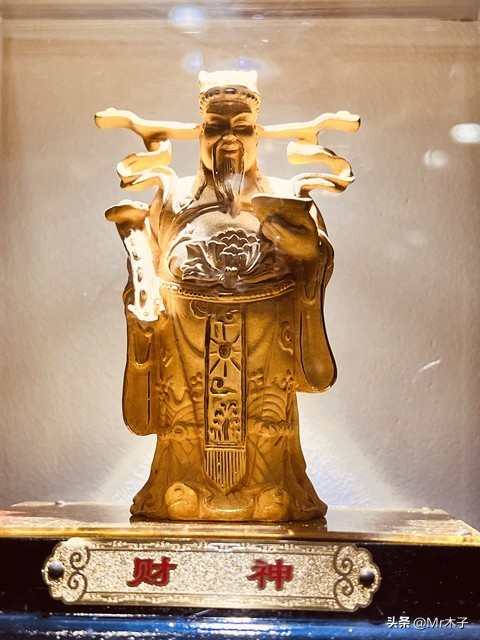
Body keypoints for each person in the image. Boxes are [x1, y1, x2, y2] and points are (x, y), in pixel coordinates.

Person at [98, 71, 357, 521]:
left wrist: (308, 256)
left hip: (266, 347)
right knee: (184, 433)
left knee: (267, 430)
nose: (229, 140)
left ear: (258, 134)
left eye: (242, 127)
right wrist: (143, 312)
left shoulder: (287, 197)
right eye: (215, 128)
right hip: (186, 350)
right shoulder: (173, 197)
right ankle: (177, 489)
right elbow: (146, 269)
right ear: (200, 134)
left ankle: (274, 489)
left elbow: (316, 261)